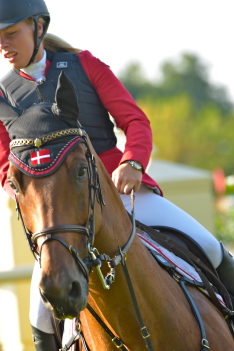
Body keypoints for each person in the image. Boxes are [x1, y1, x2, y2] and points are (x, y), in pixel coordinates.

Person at [0, 0, 233, 350]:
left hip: (123, 191)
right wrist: (23, 191)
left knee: (212, 250)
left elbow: (135, 122)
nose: (3, 44)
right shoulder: (3, 95)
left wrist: (133, 162)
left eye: (10, 33)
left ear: (38, 27)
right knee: (40, 312)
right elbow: (5, 164)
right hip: (64, 213)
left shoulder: (86, 65)